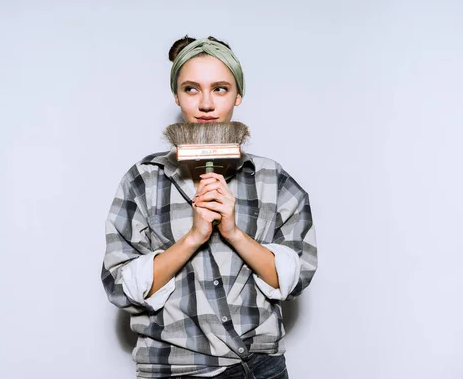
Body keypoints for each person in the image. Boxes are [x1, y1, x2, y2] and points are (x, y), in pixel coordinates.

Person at [101, 36, 318, 379]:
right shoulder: (142, 180)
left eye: (220, 89)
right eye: (191, 89)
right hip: (174, 369)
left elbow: (294, 279)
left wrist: (232, 232)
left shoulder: (272, 179)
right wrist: (194, 236)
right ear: (177, 96)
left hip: (260, 367)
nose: (206, 103)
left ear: (238, 96)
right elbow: (120, 286)